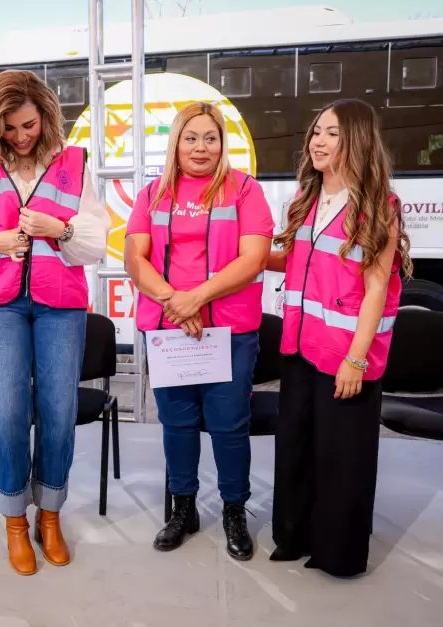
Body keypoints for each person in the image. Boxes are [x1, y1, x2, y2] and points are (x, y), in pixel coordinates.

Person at [0, 69, 109, 575]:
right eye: (9, 128)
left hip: (61, 303)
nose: (21, 136)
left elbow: (97, 241)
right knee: (8, 413)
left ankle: (49, 515)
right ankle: (14, 520)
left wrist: (63, 228)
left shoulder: (74, 164)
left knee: (58, 410)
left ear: (46, 116)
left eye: (28, 124)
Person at [267, 98, 412, 577]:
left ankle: (338, 554)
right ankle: (295, 536)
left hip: (345, 358)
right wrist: (240, 257)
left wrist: (356, 359)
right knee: (297, 448)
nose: (319, 141)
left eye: (332, 133)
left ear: (357, 140)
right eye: (316, 132)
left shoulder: (377, 205)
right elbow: (295, 263)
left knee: (341, 459)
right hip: (299, 349)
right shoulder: (307, 199)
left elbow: (375, 290)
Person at [124, 102, 273, 561]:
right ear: (176, 143)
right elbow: (135, 259)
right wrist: (176, 300)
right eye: (191, 137)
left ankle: (233, 511)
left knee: (230, 427)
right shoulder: (153, 194)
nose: (201, 147)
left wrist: (197, 298)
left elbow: (254, 259)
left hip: (229, 332)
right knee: (178, 425)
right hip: (170, 329)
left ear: (223, 143)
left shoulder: (245, 190)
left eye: (211, 137)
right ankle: (183, 509)